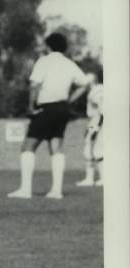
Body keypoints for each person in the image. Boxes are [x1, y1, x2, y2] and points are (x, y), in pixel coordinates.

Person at [8, 32, 90, 200]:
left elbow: (35, 85)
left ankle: (25, 190)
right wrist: (69, 100)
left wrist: (30, 107)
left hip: (46, 107)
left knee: (28, 147)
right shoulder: (69, 64)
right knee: (56, 146)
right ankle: (56, 191)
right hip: (62, 108)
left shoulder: (44, 61)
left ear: (49, 46)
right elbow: (84, 84)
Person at [76, 69, 104, 188]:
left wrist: (96, 127)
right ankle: (91, 178)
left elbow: (103, 110)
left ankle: (99, 178)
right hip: (97, 120)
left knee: (95, 150)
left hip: (98, 120)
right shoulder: (98, 89)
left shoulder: (95, 91)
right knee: (91, 147)